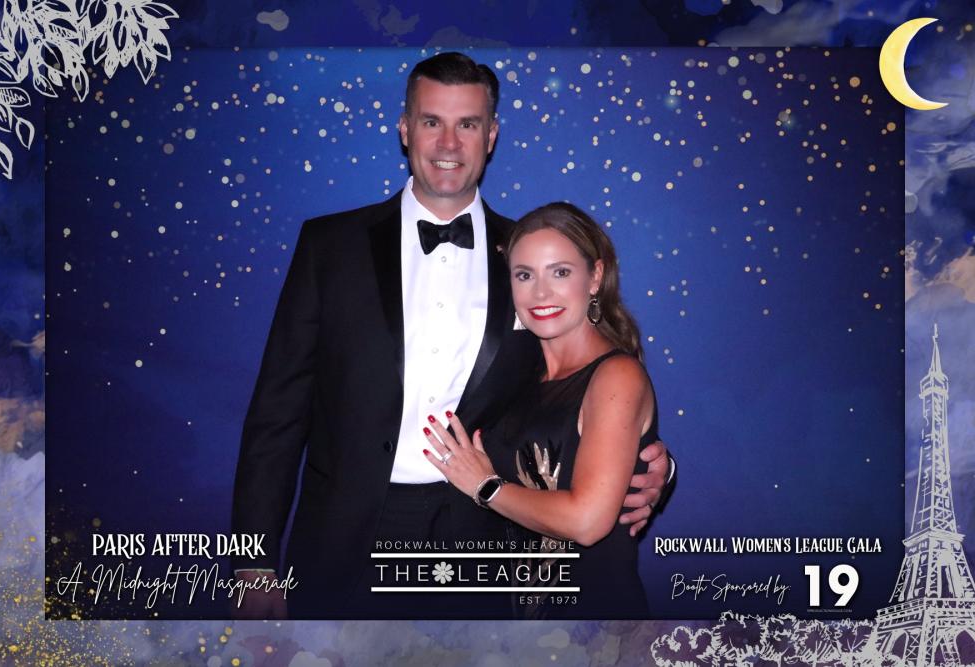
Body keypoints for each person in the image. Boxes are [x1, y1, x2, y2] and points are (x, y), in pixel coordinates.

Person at [231, 52, 672, 620]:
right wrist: (254, 560)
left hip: (487, 541)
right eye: (431, 121)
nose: (448, 143)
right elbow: (278, 412)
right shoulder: (330, 247)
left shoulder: (530, 257)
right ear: (404, 128)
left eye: (467, 123)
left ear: (491, 135)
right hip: (343, 538)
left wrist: (650, 466)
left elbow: (583, 387)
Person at [424, 202, 656, 618]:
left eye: (560, 272)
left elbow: (588, 522)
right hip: (517, 622)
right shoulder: (519, 374)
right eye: (525, 275)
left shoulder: (617, 375)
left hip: (594, 620)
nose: (541, 293)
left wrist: (486, 487)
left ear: (595, 277)